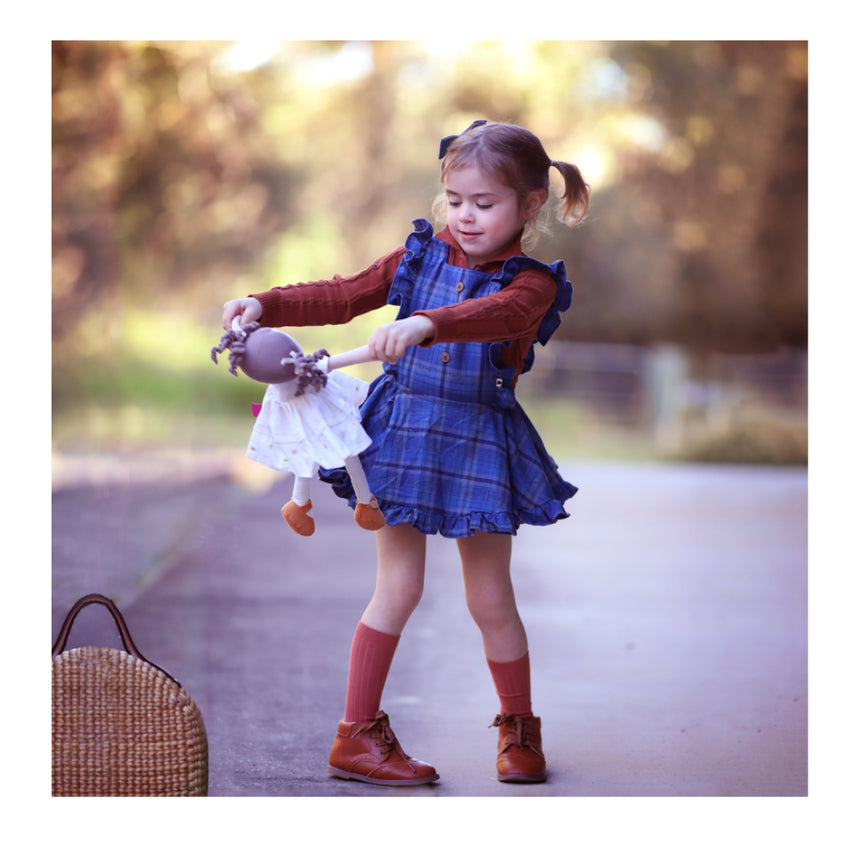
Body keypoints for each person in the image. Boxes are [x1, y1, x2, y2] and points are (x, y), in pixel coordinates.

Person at [222, 119, 590, 786]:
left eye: (485, 203)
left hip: (478, 438)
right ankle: (355, 735)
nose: (466, 216)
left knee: (491, 600)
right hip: (402, 434)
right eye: (455, 201)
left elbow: (501, 314)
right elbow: (342, 295)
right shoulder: (420, 256)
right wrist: (264, 303)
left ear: (530, 205)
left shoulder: (531, 282)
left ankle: (518, 730)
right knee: (397, 586)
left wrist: (429, 322)